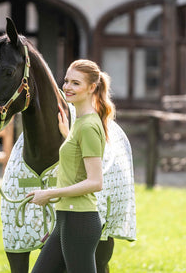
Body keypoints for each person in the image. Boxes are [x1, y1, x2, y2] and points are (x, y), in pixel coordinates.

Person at [27, 59, 115, 273]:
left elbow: (95, 182)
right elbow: (79, 157)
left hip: (80, 221)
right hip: (67, 217)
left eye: (76, 83)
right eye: (66, 81)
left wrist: (50, 193)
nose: (67, 87)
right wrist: (67, 135)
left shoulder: (88, 126)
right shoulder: (80, 123)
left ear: (92, 87)